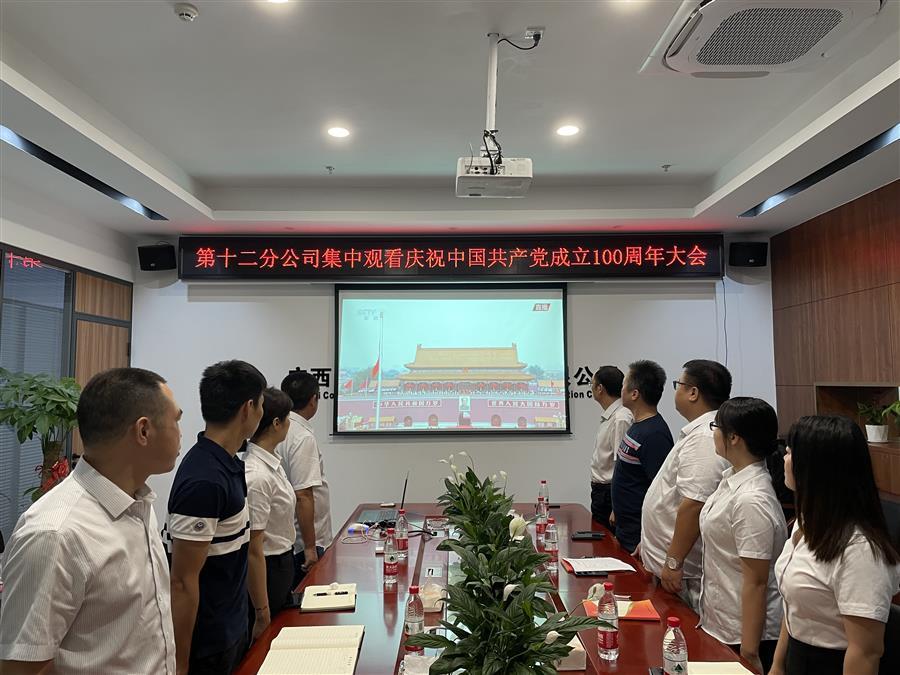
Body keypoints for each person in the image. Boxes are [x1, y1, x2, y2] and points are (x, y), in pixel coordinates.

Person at [0, 368, 182, 674]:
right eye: (176, 420)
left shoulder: (139, 504)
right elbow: (20, 668)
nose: (181, 432)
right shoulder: (55, 533)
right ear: (143, 431)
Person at [770, 416, 900, 675]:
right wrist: (777, 665)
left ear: (816, 467)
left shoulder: (860, 551)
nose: (784, 458)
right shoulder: (806, 523)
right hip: (797, 655)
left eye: (790, 452)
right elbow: (794, 604)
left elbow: (865, 652)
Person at [165, 360, 266, 675]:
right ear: (248, 408)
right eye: (261, 404)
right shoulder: (205, 479)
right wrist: (180, 663)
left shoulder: (228, 462)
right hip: (207, 644)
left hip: (231, 627)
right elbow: (182, 582)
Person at [699, 397, 788, 674]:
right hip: (721, 622)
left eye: (716, 427)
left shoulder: (752, 500)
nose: (713, 433)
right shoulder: (732, 478)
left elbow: (756, 582)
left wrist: (749, 652)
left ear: (734, 437)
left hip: (746, 636)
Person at [640, 359, 731, 610]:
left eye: (678, 384)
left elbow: (694, 504)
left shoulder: (704, 437)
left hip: (683, 575)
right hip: (672, 565)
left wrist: (673, 561)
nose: (675, 390)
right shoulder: (698, 431)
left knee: (681, 630)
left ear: (693, 393)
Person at [244, 387, 295, 642]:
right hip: (268, 569)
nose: (289, 424)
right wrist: (261, 612)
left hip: (283, 563)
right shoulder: (257, 474)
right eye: (287, 419)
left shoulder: (272, 462)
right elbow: (254, 547)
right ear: (276, 423)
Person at [610, 359, 674, 554]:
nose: (621, 390)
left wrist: (647, 539)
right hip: (626, 528)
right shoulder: (638, 426)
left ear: (634, 393)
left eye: (623, 385)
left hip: (639, 535)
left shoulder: (654, 435)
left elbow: (662, 494)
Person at [278, 369, 333, 587]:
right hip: (305, 541)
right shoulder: (301, 436)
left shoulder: (279, 428)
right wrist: (310, 547)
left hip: (289, 536)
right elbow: (303, 494)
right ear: (313, 400)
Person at [589, 366, 633, 528]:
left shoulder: (621, 418)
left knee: (607, 539)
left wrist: (616, 505)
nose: (591, 388)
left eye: (592, 384)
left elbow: (621, 464)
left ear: (600, 388)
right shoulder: (612, 415)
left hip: (609, 495)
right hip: (602, 492)